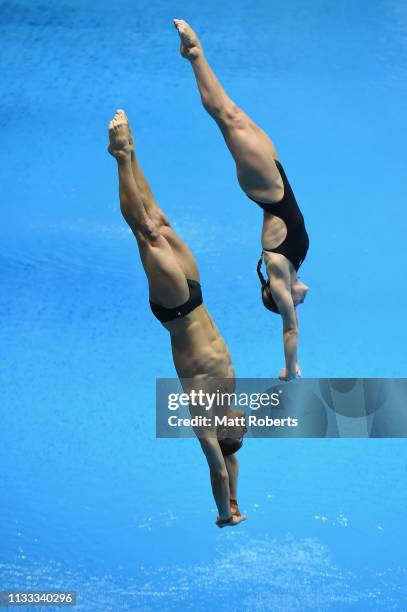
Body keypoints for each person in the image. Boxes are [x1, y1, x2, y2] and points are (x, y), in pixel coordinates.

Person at [108, 109, 246, 527]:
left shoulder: (206, 419)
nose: (247, 424)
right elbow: (234, 468)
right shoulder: (228, 406)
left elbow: (220, 469)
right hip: (196, 298)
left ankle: (119, 154)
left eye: (242, 432)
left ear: (227, 435)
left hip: (176, 311)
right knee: (162, 223)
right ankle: (133, 156)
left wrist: (225, 515)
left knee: (146, 233)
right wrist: (238, 501)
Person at [174, 19, 310, 381]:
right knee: (230, 113)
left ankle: (194, 54)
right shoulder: (295, 262)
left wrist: (291, 369)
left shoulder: (279, 276)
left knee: (226, 117)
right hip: (275, 175)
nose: (299, 303)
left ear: (276, 295)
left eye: (292, 304)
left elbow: (290, 330)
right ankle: (194, 54)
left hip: (265, 187)